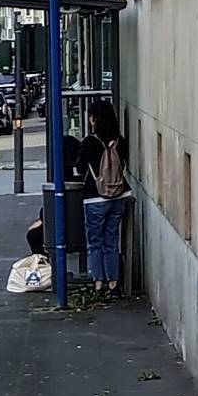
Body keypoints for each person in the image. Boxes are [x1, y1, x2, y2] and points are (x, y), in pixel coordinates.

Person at [78, 100, 130, 294]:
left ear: (94, 118)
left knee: (95, 242)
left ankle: (98, 282)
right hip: (118, 196)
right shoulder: (120, 140)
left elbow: (80, 167)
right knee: (111, 239)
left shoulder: (90, 142)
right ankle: (113, 282)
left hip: (95, 198)